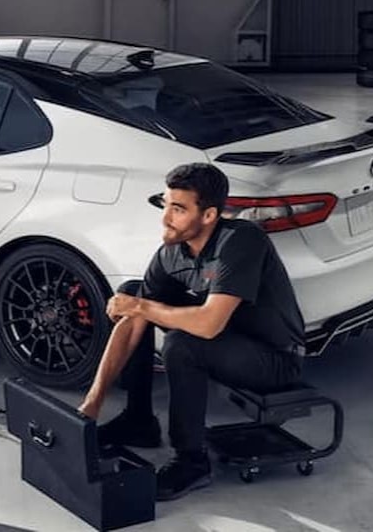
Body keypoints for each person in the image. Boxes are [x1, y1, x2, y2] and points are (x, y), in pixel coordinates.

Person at [77, 162, 306, 501]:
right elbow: (134, 318)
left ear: (210, 215)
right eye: (166, 204)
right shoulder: (172, 251)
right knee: (134, 291)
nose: (166, 218)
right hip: (230, 339)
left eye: (179, 209)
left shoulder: (241, 241)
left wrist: (140, 307)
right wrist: (92, 404)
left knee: (182, 343)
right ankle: (139, 419)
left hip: (273, 358)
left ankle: (192, 461)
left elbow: (209, 324)